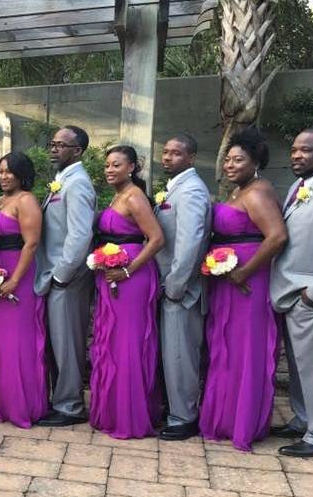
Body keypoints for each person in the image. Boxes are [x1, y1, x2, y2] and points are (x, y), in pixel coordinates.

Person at [200, 129, 286, 451]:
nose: (231, 165)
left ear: (255, 162)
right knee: (227, 348)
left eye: (239, 160)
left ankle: (243, 422)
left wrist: (245, 272)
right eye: (228, 160)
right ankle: (225, 416)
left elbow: (277, 237)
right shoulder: (240, 191)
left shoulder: (257, 193)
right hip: (229, 280)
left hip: (248, 283)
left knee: (245, 349)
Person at [89, 146, 164, 439]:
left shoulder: (134, 197)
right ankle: (111, 409)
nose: (109, 170)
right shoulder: (117, 196)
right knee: (112, 341)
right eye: (107, 165)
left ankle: (130, 415)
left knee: (128, 344)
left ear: (132, 167)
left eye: (116, 165)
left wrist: (129, 269)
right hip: (112, 274)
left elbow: (157, 238)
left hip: (131, 277)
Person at [0, 151, 47, 427]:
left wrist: (15, 280)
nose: (4, 176)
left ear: (22, 174)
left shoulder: (26, 200)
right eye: (1, 171)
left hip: (18, 273)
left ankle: (22, 404)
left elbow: (31, 244)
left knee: (17, 340)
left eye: (9, 172)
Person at [35, 126, 97, 427]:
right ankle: (60, 399)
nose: (54, 148)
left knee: (67, 342)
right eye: (53, 143)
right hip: (54, 275)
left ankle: (71, 406)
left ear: (78, 151)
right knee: (57, 341)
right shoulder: (63, 181)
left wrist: (61, 275)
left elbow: (80, 234)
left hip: (68, 278)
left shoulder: (78, 184)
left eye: (61, 145)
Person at [269, 126, 313, 457]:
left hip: (310, 296)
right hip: (290, 293)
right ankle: (303, 419)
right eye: (294, 149)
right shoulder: (299, 186)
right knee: (299, 365)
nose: (296, 155)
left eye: (305, 150)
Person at [155, 135, 212, 441]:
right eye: (165, 152)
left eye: (176, 153)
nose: (167, 157)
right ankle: (174, 409)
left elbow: (191, 242)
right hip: (168, 286)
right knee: (172, 352)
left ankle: (184, 417)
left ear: (191, 158)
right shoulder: (176, 187)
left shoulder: (190, 191)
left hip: (181, 291)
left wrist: (176, 286)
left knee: (180, 354)